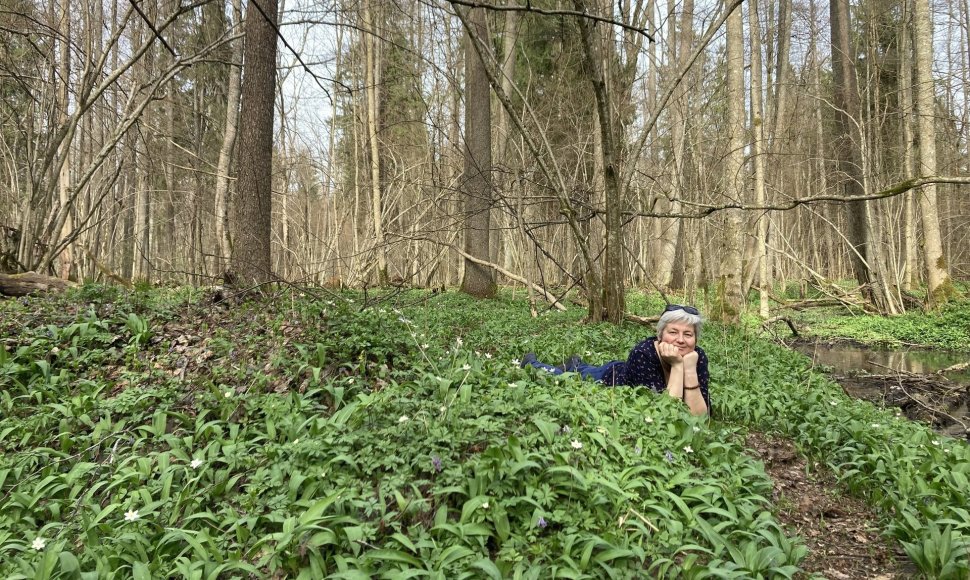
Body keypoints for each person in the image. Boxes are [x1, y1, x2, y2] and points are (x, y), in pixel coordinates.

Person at [521, 304, 710, 416]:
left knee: (576, 370)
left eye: (688, 334)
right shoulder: (643, 353)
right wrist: (678, 366)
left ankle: (576, 364)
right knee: (563, 377)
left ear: (696, 339)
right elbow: (664, 414)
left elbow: (701, 415)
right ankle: (532, 363)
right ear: (660, 335)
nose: (680, 340)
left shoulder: (697, 357)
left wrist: (689, 370)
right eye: (673, 332)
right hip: (607, 378)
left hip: (617, 372)